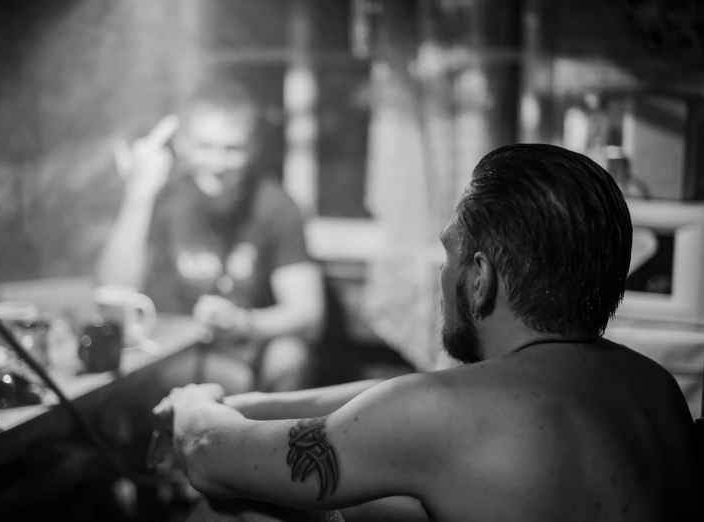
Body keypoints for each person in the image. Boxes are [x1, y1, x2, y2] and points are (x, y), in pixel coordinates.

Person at [151, 144, 702, 522]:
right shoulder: (654, 389)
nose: (444, 274)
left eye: (450, 253)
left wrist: (194, 406)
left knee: (239, 509)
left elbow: (207, 454)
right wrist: (248, 403)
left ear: (480, 277)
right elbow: (395, 405)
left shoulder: (451, 415)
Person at [95, 79, 325, 395]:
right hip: (169, 350)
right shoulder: (161, 196)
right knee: (231, 381)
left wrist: (244, 322)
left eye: (232, 149)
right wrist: (138, 196)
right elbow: (111, 296)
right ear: (184, 145)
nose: (217, 164)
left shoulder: (275, 205)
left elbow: (309, 314)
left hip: (247, 344)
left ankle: (272, 441)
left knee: (289, 359)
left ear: (253, 148)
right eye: (205, 147)